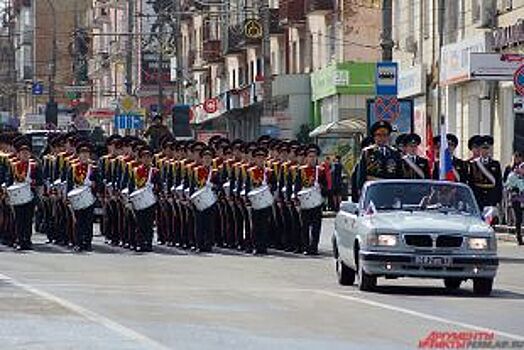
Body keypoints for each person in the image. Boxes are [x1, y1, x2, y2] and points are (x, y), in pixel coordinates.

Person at [7, 137, 43, 250]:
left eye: (27, 153)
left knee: (28, 219)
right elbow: (9, 181)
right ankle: (19, 240)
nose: (25, 155)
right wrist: (8, 195)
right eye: (22, 153)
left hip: (30, 196)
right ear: (18, 154)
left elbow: (40, 182)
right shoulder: (13, 166)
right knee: (18, 219)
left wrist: (38, 195)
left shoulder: (35, 166)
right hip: (17, 196)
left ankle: (27, 240)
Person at [353, 120, 402, 200]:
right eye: (378, 135)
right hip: (373, 193)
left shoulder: (394, 153)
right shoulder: (367, 152)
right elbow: (361, 177)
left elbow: (399, 175)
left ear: (388, 136)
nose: (382, 138)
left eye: (385, 135)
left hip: (391, 193)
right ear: (374, 137)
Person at [66, 142, 101, 252]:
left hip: (89, 197)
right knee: (78, 221)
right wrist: (68, 198)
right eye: (82, 154)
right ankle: (79, 242)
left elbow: (99, 183)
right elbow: (69, 184)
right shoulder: (73, 168)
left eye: (87, 154)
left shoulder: (94, 169)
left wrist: (95, 186)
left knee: (88, 221)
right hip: (77, 198)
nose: (85, 156)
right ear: (79, 155)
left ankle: (88, 242)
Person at [295, 144, 327, 255]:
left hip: (317, 202)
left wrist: (323, 191)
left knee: (316, 227)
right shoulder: (301, 170)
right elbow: (297, 186)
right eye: (310, 156)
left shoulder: (321, 170)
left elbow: (326, 185)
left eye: (314, 156)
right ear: (306, 158)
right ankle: (306, 247)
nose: (312, 159)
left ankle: (314, 247)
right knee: (305, 226)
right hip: (305, 202)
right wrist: (297, 199)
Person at [128, 146, 161, 252]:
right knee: (139, 223)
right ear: (141, 159)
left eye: (148, 157)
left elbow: (159, 185)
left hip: (150, 200)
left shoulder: (155, 172)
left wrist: (156, 191)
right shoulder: (135, 171)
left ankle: (149, 243)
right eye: (144, 157)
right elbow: (131, 186)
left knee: (149, 223)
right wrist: (130, 198)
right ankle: (140, 243)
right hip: (138, 200)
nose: (146, 159)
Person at [245, 147, 277, 255]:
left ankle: (263, 246)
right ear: (255, 159)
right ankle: (255, 246)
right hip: (254, 201)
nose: (260, 160)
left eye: (262, 158)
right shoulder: (250, 172)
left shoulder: (270, 172)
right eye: (258, 158)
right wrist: (247, 200)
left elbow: (274, 186)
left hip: (265, 201)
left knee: (265, 225)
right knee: (255, 225)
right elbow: (247, 187)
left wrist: (270, 187)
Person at [468, 136, 503, 211]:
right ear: (480, 149)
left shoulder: (495, 164)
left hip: (491, 196)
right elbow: (471, 182)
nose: (486, 151)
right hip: (478, 196)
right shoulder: (474, 164)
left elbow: (498, 183)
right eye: (483, 148)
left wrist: (498, 199)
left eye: (487, 148)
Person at [504, 162, 524, 245]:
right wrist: (514, 188)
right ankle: (519, 237)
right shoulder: (512, 176)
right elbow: (507, 186)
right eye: (522, 168)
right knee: (518, 219)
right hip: (517, 200)